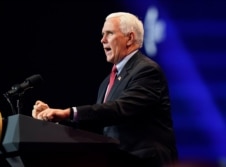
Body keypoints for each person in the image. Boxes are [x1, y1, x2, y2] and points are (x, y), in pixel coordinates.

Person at [32, 12, 178, 166]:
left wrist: (68, 112)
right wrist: (56, 119)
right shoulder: (106, 82)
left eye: (109, 33)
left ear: (129, 38)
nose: (102, 40)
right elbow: (96, 124)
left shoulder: (147, 71)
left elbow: (120, 109)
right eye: (102, 34)